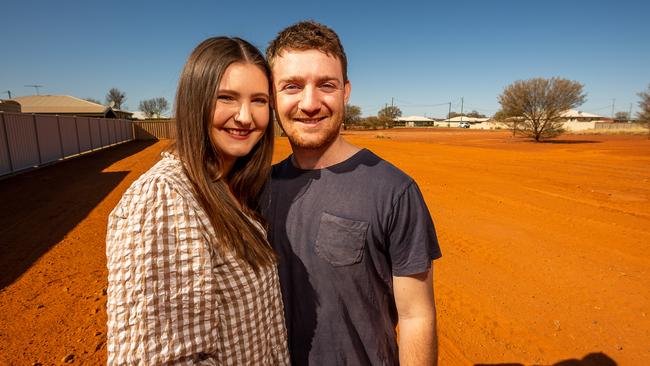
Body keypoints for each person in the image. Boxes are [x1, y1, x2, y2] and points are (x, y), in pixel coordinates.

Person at [262, 21, 442, 365]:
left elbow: (416, 316)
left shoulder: (394, 191)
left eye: (325, 85)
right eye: (292, 86)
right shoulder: (259, 188)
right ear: (272, 96)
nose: (310, 103)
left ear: (345, 92)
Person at [105, 37, 289, 365]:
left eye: (259, 101)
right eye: (226, 98)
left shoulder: (234, 187)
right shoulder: (166, 197)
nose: (246, 117)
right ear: (195, 101)